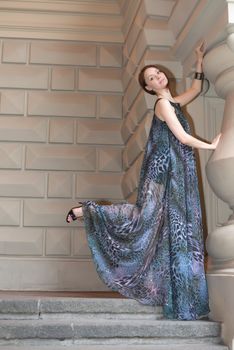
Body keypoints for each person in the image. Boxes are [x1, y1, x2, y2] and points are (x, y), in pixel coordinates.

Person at [66, 42, 221, 320]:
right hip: (163, 176)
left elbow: (196, 90)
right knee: (143, 219)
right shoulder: (163, 105)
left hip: (175, 174)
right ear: (149, 88)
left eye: (158, 72)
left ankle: (179, 295)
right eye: (151, 78)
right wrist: (213, 146)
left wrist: (198, 61)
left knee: (169, 230)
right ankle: (87, 211)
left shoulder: (172, 102)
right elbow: (183, 139)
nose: (158, 76)